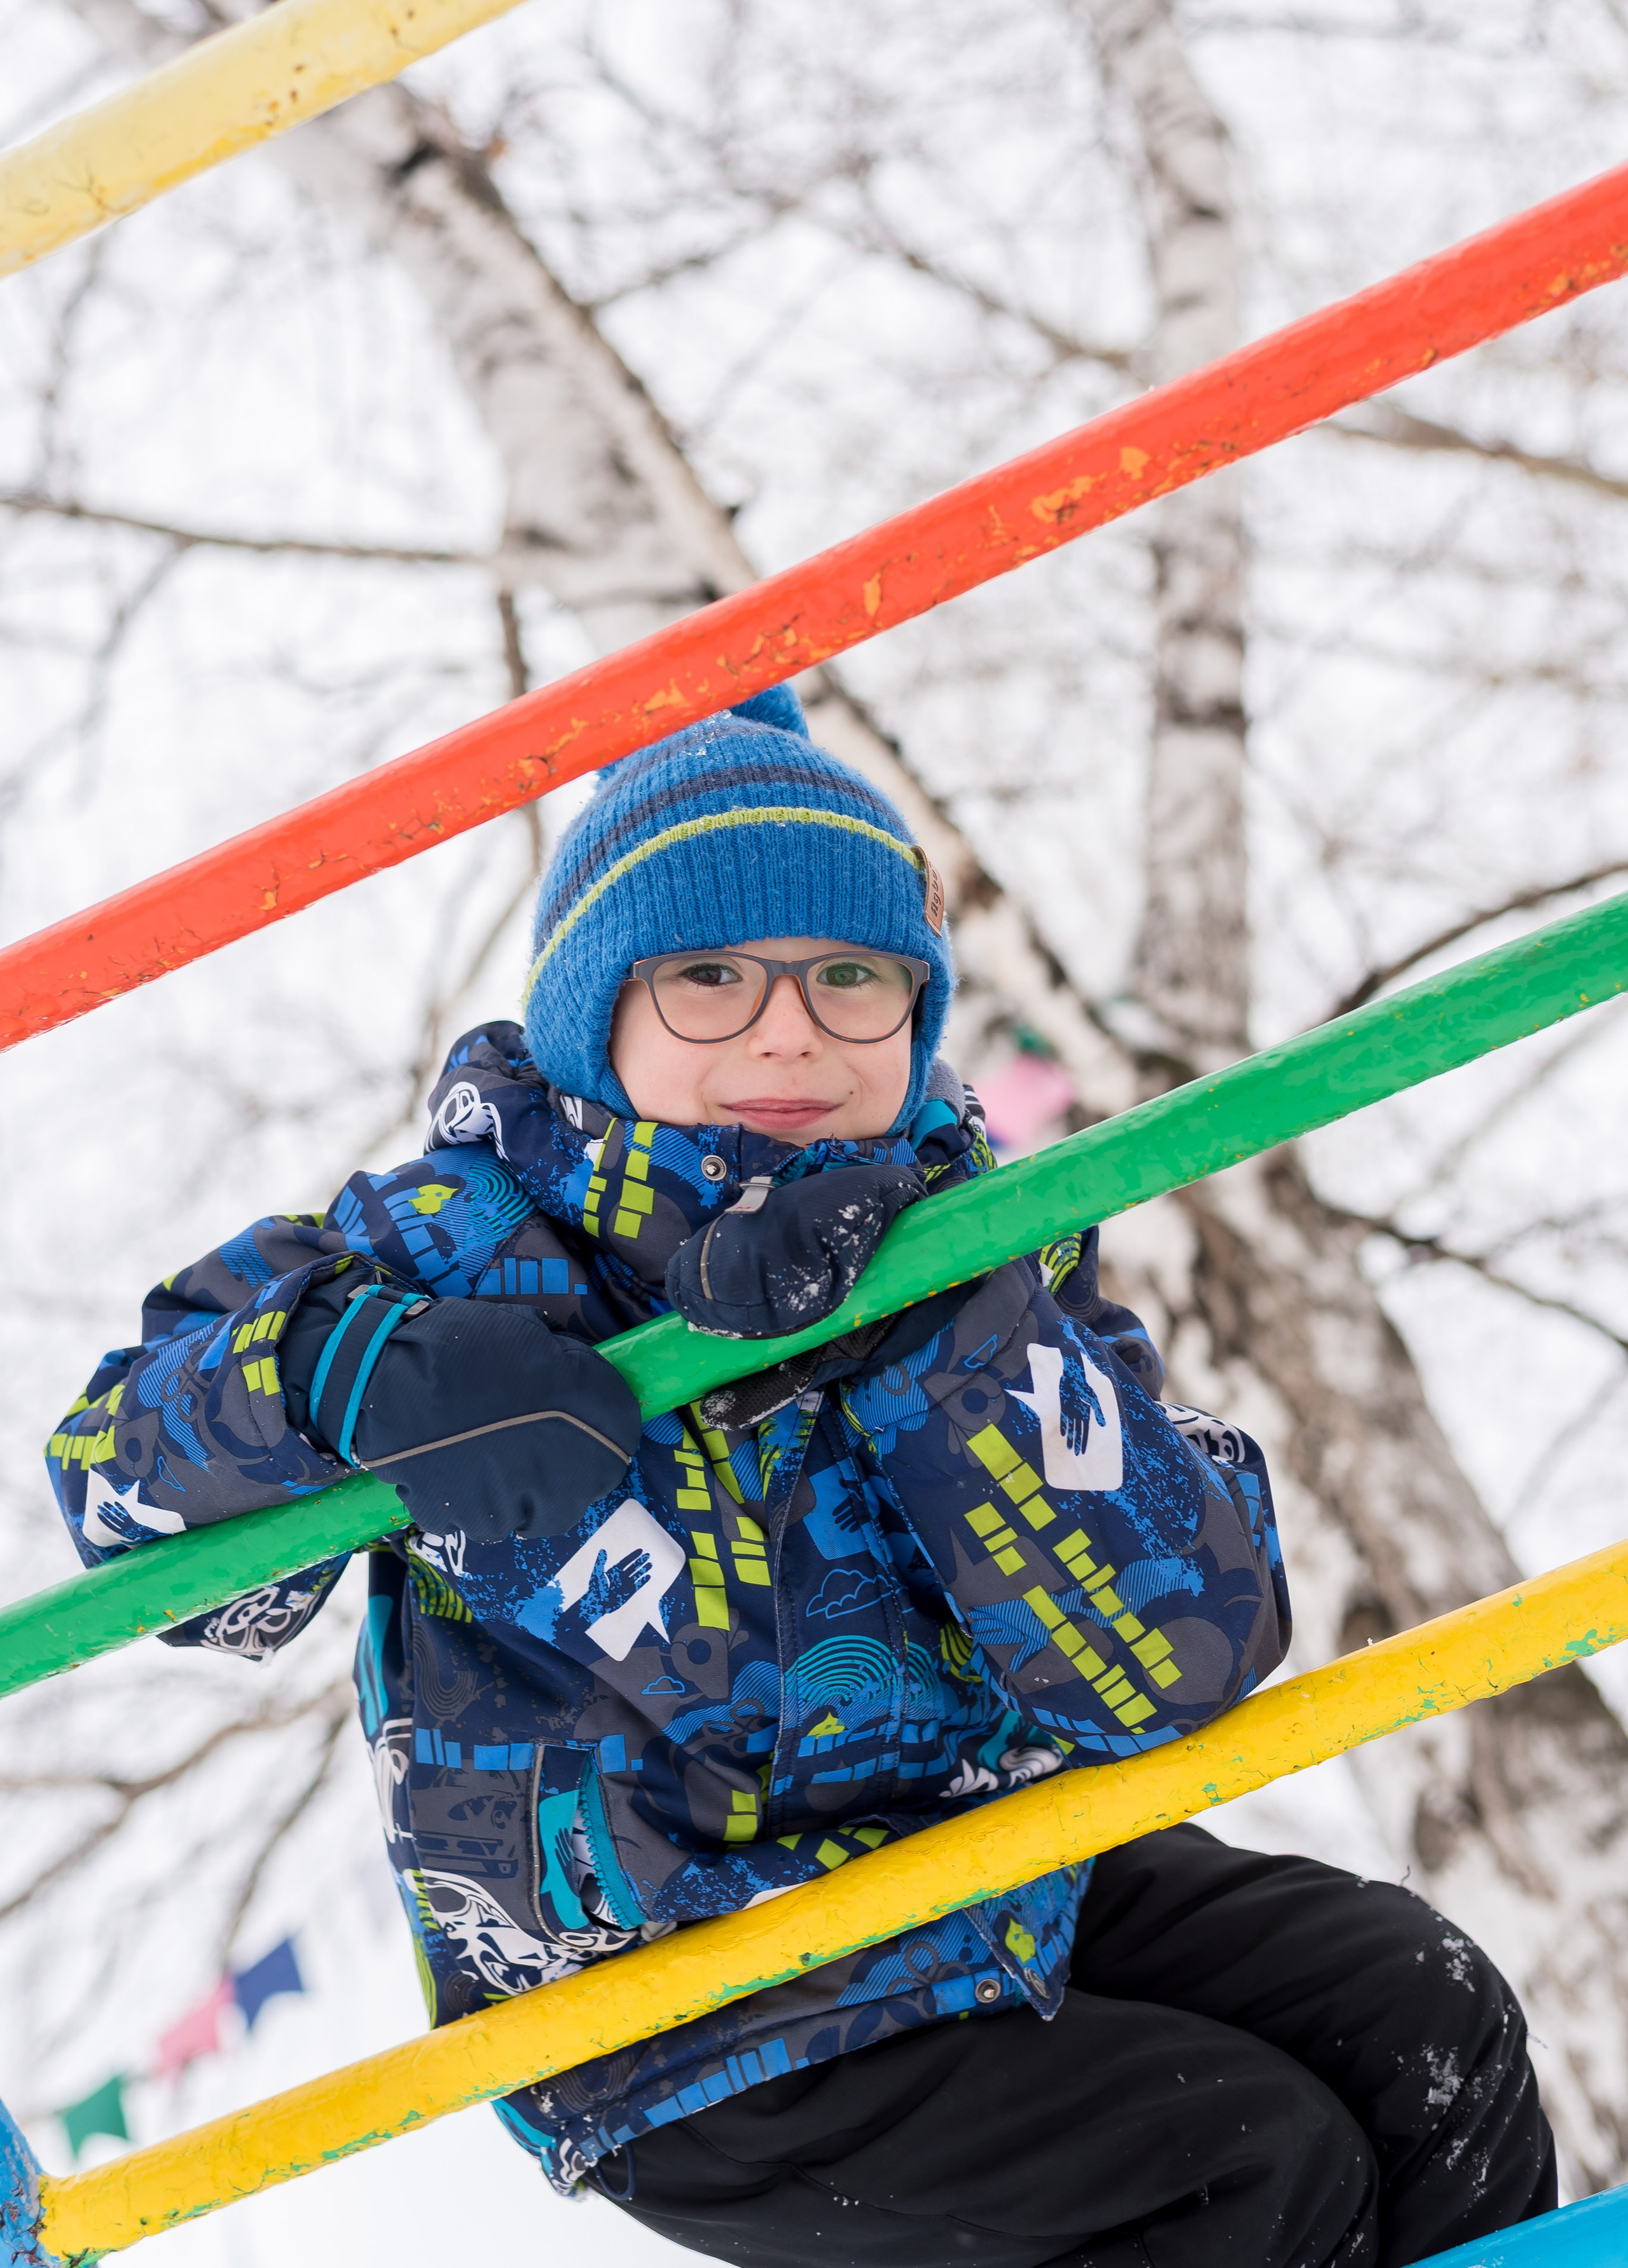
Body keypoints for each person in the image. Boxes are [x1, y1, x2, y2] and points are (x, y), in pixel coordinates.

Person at [48, 686, 1554, 2267]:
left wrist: (942, 1346)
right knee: (1241, 2170)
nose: (788, 1031)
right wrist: (341, 1379)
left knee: (1416, 2013)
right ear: (591, 1019)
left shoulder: (982, 1237)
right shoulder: (459, 1246)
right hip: (682, 1993)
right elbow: (111, 1473)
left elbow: (1187, 1656)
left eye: (851, 979)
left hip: (1001, 1861)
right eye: (708, 977)